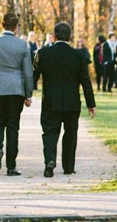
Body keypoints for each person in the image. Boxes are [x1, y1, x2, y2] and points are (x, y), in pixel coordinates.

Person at [33, 22, 96, 177]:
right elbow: (85, 81)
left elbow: (33, 76)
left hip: (50, 101)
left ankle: (49, 161)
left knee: (49, 132)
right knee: (70, 133)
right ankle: (68, 166)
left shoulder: (44, 53)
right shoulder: (79, 56)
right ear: (70, 36)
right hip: (71, 102)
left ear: (54, 36)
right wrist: (91, 104)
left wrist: (27, 94)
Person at [0, 12, 33, 177]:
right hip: (16, 89)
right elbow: (28, 72)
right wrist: (28, 93)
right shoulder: (22, 45)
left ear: (2, 24)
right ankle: (11, 166)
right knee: (13, 126)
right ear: (16, 27)